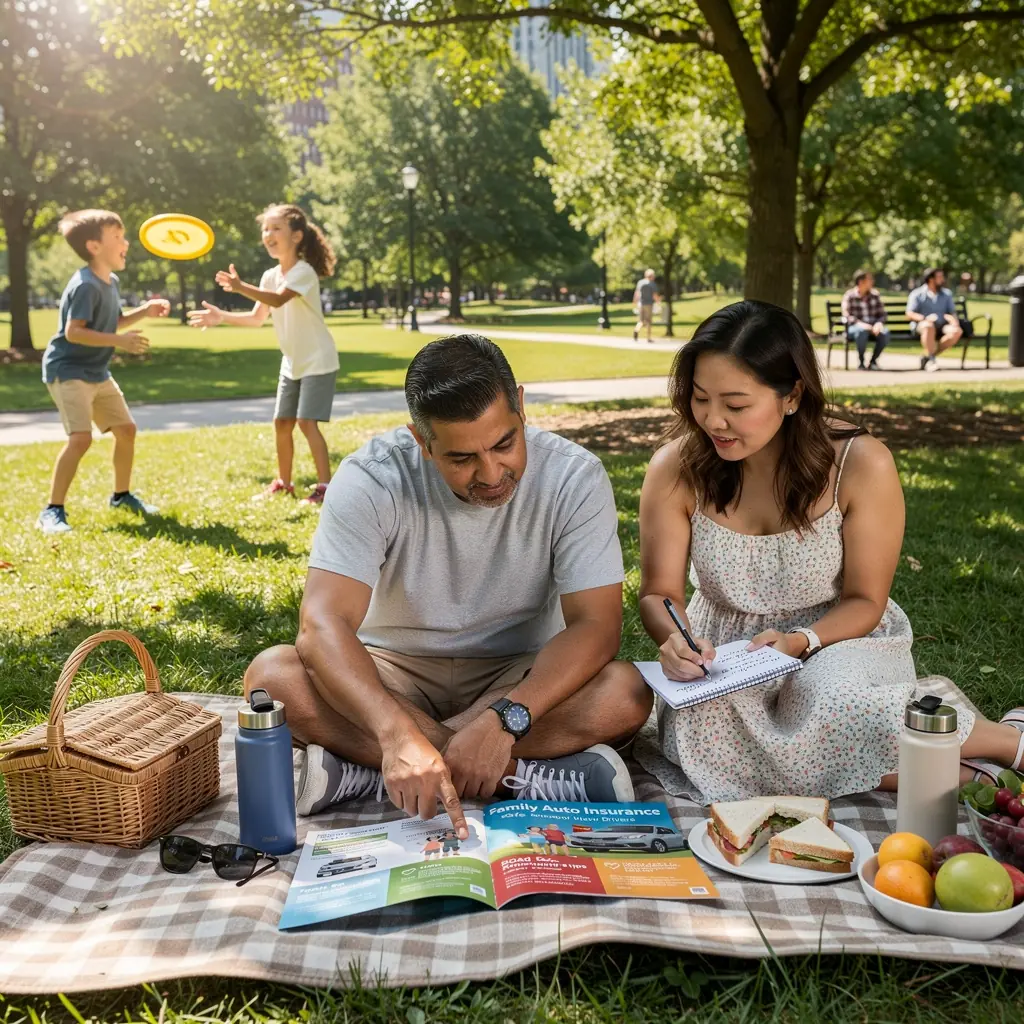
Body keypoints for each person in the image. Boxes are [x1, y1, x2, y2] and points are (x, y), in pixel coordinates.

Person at [243, 335, 651, 838]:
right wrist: (394, 732)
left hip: (518, 672)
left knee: (627, 691)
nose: (492, 473)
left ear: (521, 406)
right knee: (271, 678)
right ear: (422, 440)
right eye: (461, 458)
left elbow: (596, 626)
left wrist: (504, 721)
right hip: (391, 670)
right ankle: (516, 777)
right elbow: (322, 624)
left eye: (504, 443)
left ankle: (370, 774)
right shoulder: (371, 477)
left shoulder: (575, 476)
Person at [634, 300, 1024, 803]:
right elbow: (659, 592)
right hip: (731, 654)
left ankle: (1008, 744)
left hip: (838, 638)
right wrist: (677, 640)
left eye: (736, 405)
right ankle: (969, 776)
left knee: (834, 703)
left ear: (793, 395)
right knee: (703, 731)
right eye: (700, 397)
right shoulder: (675, 468)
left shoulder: (861, 464)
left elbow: (865, 600)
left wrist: (802, 641)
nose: (713, 420)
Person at [189, 204, 338, 504]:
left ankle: (326, 487)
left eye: (276, 228)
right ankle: (284, 483)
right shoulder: (270, 275)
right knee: (282, 422)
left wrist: (240, 287)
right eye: (265, 229)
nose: (268, 234)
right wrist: (221, 317)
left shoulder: (303, 272)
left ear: (296, 236)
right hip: (292, 361)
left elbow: (279, 301)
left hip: (317, 359)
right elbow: (258, 317)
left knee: (306, 422)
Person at [37, 209, 170, 536]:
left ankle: (121, 496)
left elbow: (114, 322)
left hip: (96, 371)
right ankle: (52, 510)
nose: (126, 243)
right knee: (81, 439)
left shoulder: (110, 281)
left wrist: (145, 311)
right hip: (69, 370)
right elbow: (74, 332)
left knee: (126, 430)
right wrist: (119, 342)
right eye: (118, 237)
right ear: (94, 247)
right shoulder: (85, 285)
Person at [906, 267, 962, 372]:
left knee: (956, 332)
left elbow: (952, 312)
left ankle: (929, 356)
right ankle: (931, 360)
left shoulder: (946, 294)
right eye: (939, 277)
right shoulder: (917, 294)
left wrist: (953, 320)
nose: (942, 279)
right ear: (931, 279)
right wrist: (924, 318)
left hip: (942, 325)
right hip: (923, 325)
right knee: (929, 326)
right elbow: (909, 313)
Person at [840, 270, 889, 370]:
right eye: (869, 279)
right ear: (861, 282)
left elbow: (882, 314)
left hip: (873, 328)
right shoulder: (849, 295)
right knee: (861, 332)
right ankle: (861, 362)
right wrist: (861, 325)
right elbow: (846, 315)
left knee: (885, 333)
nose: (872, 281)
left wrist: (878, 324)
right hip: (855, 328)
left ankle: (873, 362)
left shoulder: (875, 295)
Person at [632, 269, 657, 343]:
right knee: (648, 321)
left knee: (641, 320)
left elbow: (637, 293)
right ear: (652, 276)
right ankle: (648, 338)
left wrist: (635, 301)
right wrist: (658, 301)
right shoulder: (652, 284)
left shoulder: (640, 282)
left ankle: (636, 330)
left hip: (641, 303)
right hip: (649, 304)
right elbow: (654, 295)